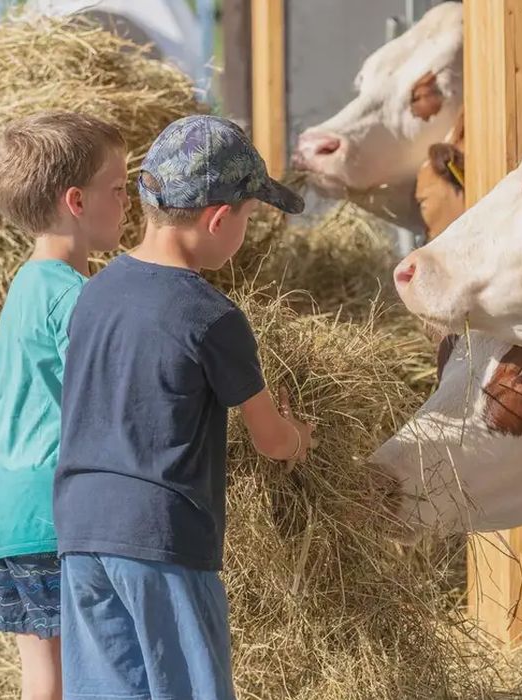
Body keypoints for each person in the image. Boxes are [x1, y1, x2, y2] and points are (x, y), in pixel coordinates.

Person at [54, 115, 315, 699]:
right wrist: (305, 436)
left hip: (81, 528)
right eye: (248, 218)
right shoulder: (212, 316)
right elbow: (271, 440)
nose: (244, 230)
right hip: (160, 536)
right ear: (219, 218)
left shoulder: (95, 293)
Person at [0, 111, 129, 700]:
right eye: (117, 190)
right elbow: (112, 399)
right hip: (57, 509)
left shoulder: (26, 283)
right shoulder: (78, 298)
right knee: (86, 674)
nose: (127, 203)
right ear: (76, 200)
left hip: (10, 510)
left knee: (43, 678)